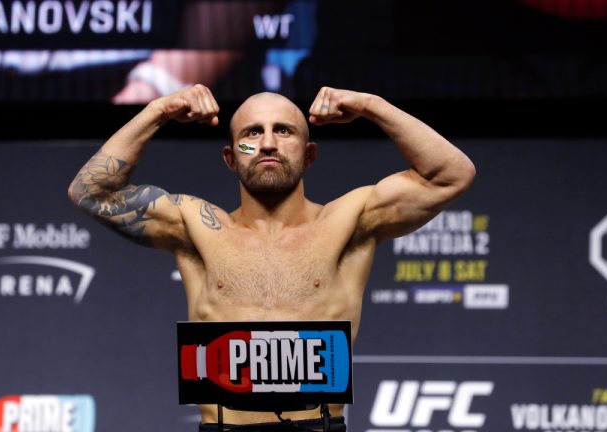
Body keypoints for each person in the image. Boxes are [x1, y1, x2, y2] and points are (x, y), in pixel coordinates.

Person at [68, 84, 475, 431]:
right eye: (251, 133)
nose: (266, 143)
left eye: (283, 131)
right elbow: (89, 192)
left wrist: (372, 105)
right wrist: (158, 110)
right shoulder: (196, 226)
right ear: (231, 157)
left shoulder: (351, 220)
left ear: (309, 154)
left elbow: (451, 173)